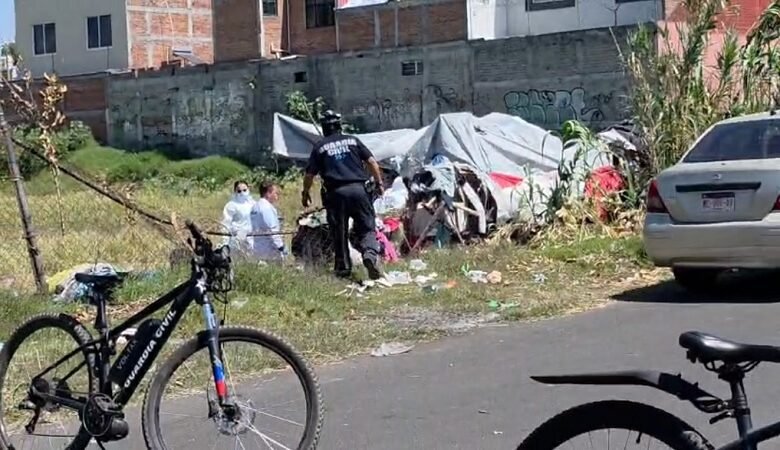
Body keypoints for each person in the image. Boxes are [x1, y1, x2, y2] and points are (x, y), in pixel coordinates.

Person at [301, 110, 386, 280]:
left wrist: (305, 193)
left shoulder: (320, 147)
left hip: (336, 194)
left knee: (339, 232)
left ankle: (343, 269)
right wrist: (379, 184)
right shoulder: (353, 140)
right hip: (359, 190)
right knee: (367, 227)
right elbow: (372, 162)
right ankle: (369, 255)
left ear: (324, 128)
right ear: (339, 125)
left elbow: (309, 175)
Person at [251, 181, 287, 261]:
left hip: (258, 249)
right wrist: (281, 246)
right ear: (268, 193)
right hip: (270, 251)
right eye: (275, 193)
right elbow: (272, 229)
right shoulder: (266, 208)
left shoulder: (255, 207)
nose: (277, 195)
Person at [221, 180, 255, 254]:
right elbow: (225, 224)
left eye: (244, 190)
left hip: (251, 237)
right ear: (235, 191)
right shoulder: (231, 205)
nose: (242, 193)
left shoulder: (252, 203)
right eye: (239, 191)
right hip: (237, 237)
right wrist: (225, 242)